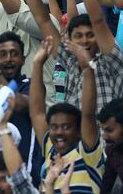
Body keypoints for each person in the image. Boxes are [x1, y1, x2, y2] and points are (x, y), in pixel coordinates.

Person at [32, 36, 105, 192]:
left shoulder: (88, 152)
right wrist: (37, 64)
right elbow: (37, 111)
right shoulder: (50, 149)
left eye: (66, 127)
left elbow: (88, 113)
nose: (59, 132)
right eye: (54, 127)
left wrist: (87, 69)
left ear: (78, 130)